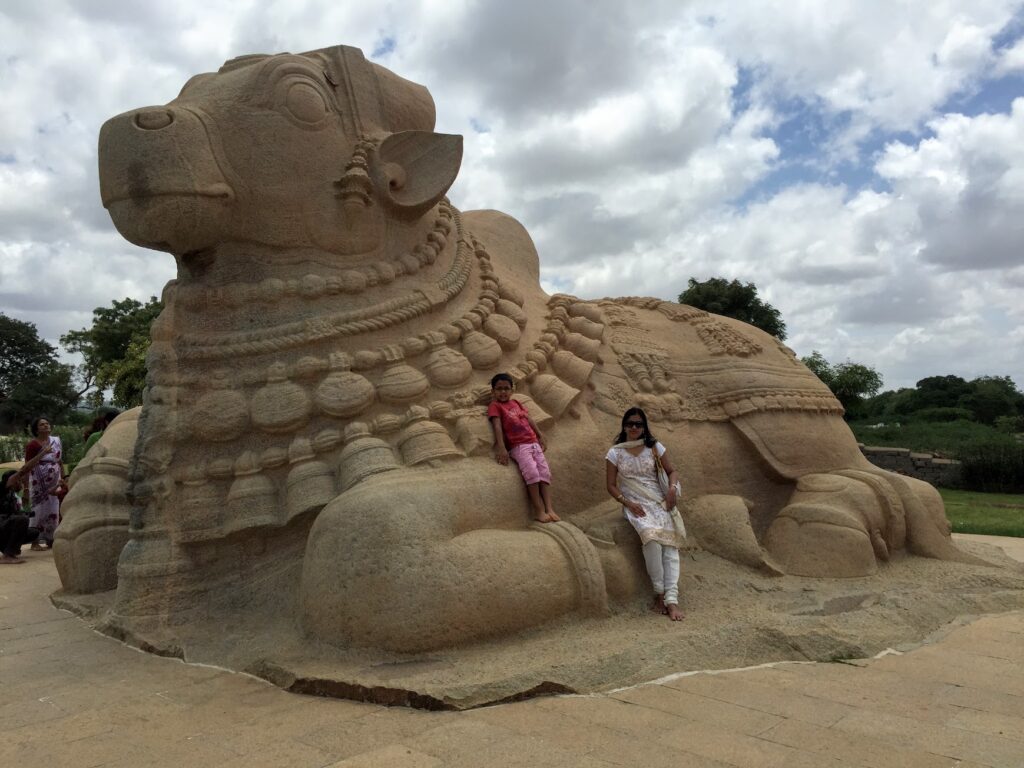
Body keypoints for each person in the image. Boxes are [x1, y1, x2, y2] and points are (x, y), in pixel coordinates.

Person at [605, 407, 685, 621]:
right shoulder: (615, 452)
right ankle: (659, 594)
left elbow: (672, 471)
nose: (633, 427)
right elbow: (611, 486)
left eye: (638, 424)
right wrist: (627, 503)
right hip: (635, 504)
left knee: (670, 546)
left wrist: (671, 489)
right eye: (630, 423)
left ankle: (672, 599)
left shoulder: (654, 447)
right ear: (624, 425)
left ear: (644, 427)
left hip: (659, 502)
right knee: (651, 541)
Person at [487, 372, 560, 523]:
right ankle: (539, 511)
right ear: (493, 391)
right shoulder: (495, 406)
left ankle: (549, 508)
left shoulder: (516, 403)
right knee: (532, 474)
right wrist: (501, 447)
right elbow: (497, 425)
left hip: (533, 442)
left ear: (511, 390)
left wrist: (539, 435)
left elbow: (528, 418)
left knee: (544, 473)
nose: (503, 392)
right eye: (499, 389)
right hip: (518, 446)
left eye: (506, 388)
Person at [24, 416, 62, 549]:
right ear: (36, 429)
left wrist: (63, 475)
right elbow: (27, 466)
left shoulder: (56, 441)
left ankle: (50, 539)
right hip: (38, 481)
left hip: (54, 480)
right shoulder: (33, 445)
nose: (46, 426)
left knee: (53, 508)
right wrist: (25, 488)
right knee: (38, 509)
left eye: (47, 423)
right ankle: (34, 541)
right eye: (42, 424)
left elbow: (59, 460)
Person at [1, 460, 46, 564]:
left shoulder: (13, 495)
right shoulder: (2, 489)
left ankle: (8, 550)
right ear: (12, 480)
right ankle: (7, 555)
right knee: (21, 520)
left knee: (33, 532)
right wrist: (43, 453)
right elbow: (22, 471)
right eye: (19, 480)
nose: (20, 483)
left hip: (4, 527)